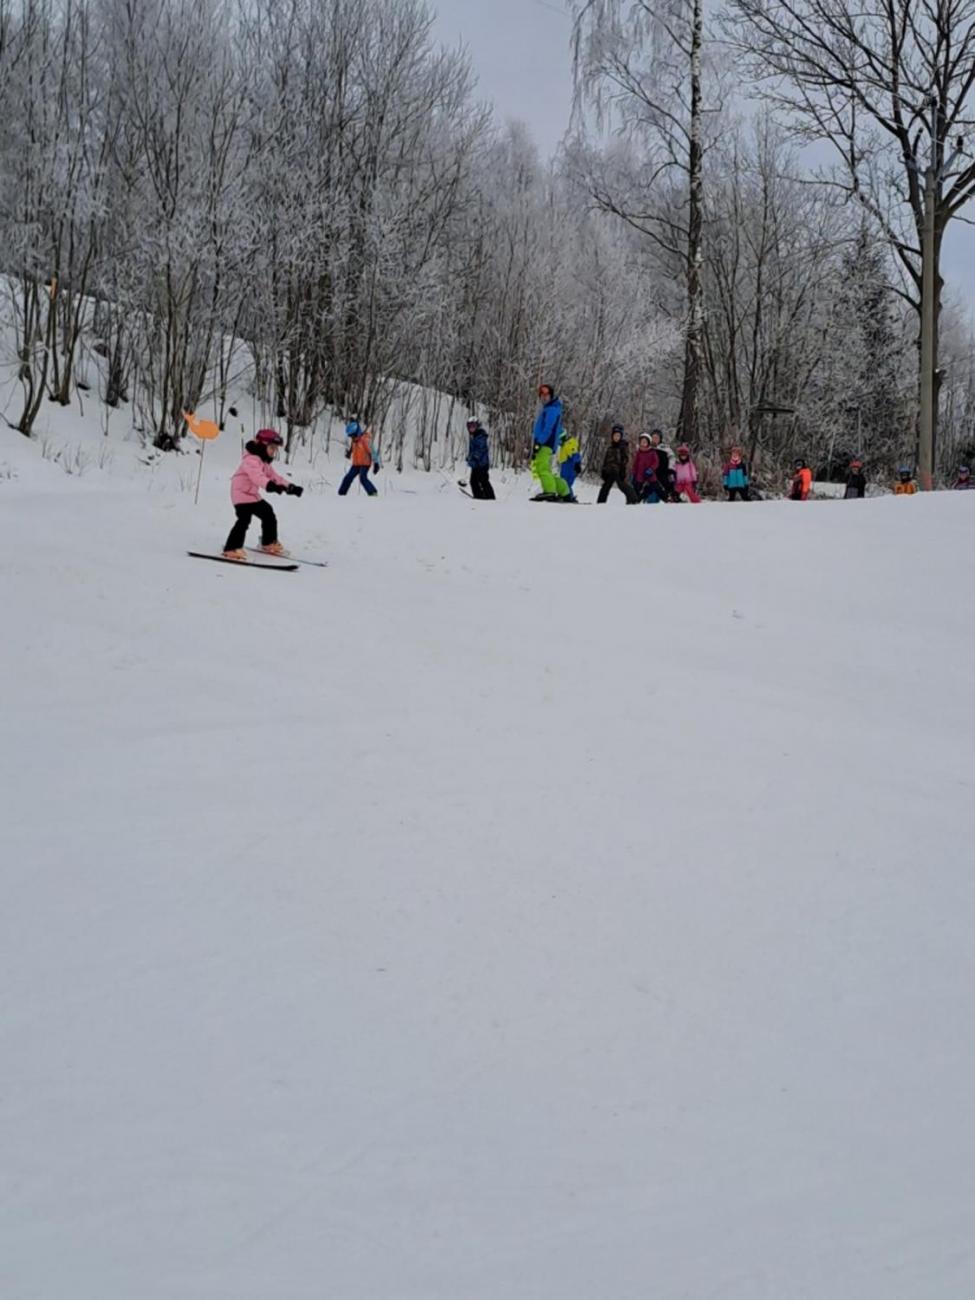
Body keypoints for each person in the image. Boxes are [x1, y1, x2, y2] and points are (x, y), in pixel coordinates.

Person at [223, 429, 303, 561]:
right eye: (271, 447)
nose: (273, 451)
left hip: (252, 496)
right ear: (261, 445)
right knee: (244, 520)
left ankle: (268, 542)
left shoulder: (264, 463)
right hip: (241, 496)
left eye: (275, 449)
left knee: (268, 513)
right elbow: (257, 477)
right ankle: (231, 548)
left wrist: (290, 487)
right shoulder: (250, 460)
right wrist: (270, 486)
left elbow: (275, 477)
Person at [530, 383, 570, 501]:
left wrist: (539, 442)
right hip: (546, 443)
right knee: (546, 470)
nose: (544, 396)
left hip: (545, 443)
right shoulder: (550, 408)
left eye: (546, 394)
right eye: (541, 394)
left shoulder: (552, 409)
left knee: (541, 468)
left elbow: (549, 428)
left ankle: (550, 491)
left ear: (551, 395)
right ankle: (563, 490)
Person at [338, 420, 380, 496]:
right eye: (350, 436)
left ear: (357, 432)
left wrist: (376, 463)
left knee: (363, 478)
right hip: (356, 464)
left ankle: (373, 492)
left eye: (353, 435)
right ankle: (341, 494)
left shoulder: (365, 440)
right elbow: (353, 449)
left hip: (365, 463)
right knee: (348, 477)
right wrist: (349, 453)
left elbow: (373, 451)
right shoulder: (354, 441)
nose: (352, 437)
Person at [597, 425, 636, 503]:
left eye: (618, 436)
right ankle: (600, 503)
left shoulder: (623, 447)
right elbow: (606, 460)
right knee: (605, 487)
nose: (616, 437)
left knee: (622, 486)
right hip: (609, 471)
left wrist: (622, 470)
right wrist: (604, 470)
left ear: (621, 437)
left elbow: (625, 459)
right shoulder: (610, 448)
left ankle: (633, 499)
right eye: (615, 435)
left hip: (618, 471)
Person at [466, 418, 495, 499]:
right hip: (476, 464)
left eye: (473, 426)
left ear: (477, 426)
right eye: (469, 427)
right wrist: (470, 457)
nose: (471, 429)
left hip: (482, 464)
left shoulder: (480, 436)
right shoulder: (474, 436)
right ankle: (478, 495)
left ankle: (490, 497)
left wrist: (475, 456)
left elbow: (481, 449)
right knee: (473, 481)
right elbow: (473, 449)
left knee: (483, 481)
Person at [631, 433, 663, 503]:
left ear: (648, 443)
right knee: (637, 488)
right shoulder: (639, 452)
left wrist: (651, 469)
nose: (643, 444)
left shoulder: (652, 452)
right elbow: (635, 464)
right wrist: (633, 474)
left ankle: (666, 498)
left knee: (654, 486)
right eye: (642, 442)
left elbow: (656, 462)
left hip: (650, 473)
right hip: (640, 475)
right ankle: (635, 500)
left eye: (645, 442)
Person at [650, 430, 679, 501]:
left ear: (660, 439)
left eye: (657, 438)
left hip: (665, 470)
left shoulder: (665, 448)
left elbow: (672, 457)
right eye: (653, 437)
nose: (655, 439)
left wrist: (671, 468)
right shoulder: (649, 448)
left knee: (669, 483)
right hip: (653, 471)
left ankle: (673, 497)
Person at [558, 427, 582, 501]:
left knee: (566, 484)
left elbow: (575, 454)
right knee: (563, 483)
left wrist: (577, 464)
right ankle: (564, 495)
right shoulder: (564, 445)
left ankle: (569, 497)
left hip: (570, 468)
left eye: (559, 440)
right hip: (564, 467)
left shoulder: (569, 444)